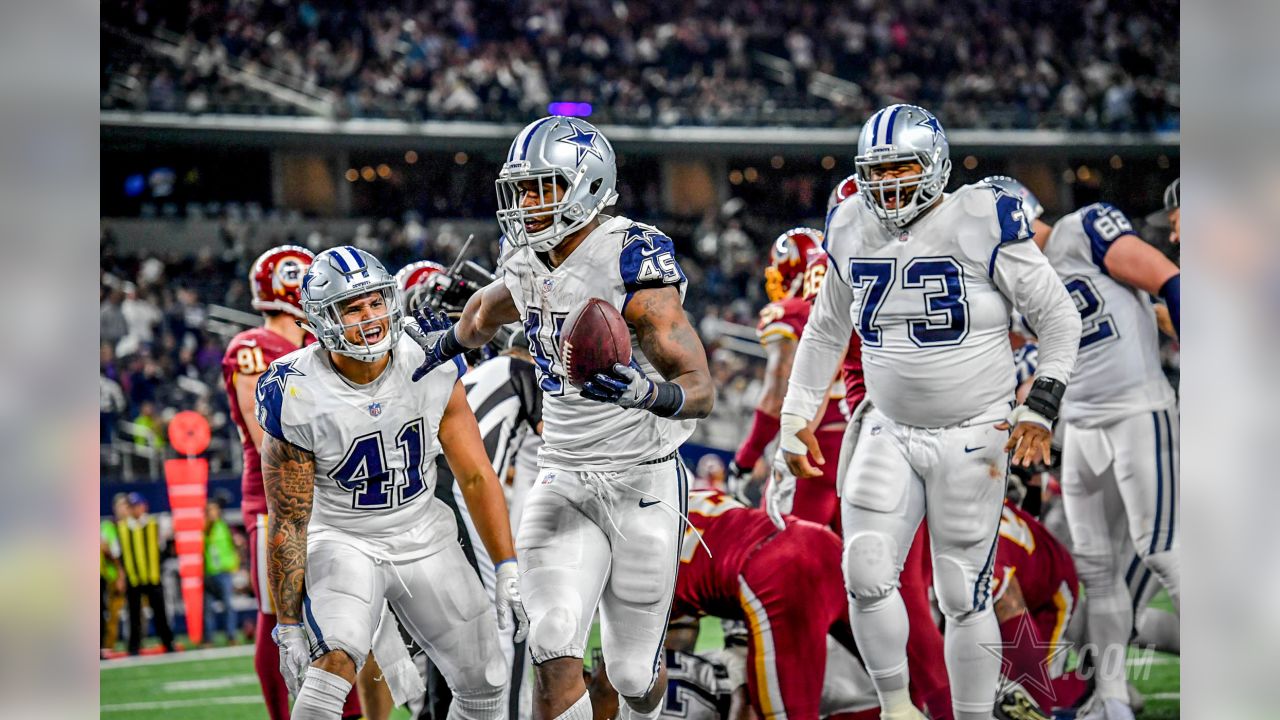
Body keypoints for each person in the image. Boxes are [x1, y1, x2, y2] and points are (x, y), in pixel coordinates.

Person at [775, 104, 1082, 720]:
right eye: (876, 173)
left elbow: (1058, 317)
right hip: (886, 426)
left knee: (961, 593)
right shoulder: (850, 222)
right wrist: (795, 415)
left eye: (902, 168)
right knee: (863, 569)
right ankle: (898, 707)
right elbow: (827, 329)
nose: (887, 186)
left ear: (936, 165)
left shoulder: (980, 216)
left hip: (973, 431)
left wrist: (1040, 405)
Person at [405, 116, 714, 720]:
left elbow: (699, 388)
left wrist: (649, 395)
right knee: (550, 642)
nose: (525, 203)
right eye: (520, 188)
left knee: (630, 674)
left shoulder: (629, 257)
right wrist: (439, 347)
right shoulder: (524, 258)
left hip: (642, 479)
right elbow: (485, 310)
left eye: (541, 187)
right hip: (564, 473)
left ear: (588, 185)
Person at [256, 246, 526, 720]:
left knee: (486, 679)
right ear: (320, 319)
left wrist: (506, 564)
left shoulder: (427, 357)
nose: (370, 316)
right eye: (352, 307)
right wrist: (289, 622)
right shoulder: (295, 388)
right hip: (342, 537)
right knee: (334, 659)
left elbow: (476, 475)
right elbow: (290, 519)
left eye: (376, 301)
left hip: (424, 532)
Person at [1020, 177, 1180, 720]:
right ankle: (1111, 700)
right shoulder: (1015, 283)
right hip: (1082, 427)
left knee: (1162, 550)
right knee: (1096, 572)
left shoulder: (1080, 229)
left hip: (1137, 409)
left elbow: (1167, 280)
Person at [673, 487, 856, 720]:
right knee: (897, 682)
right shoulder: (691, 494)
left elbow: (672, 637)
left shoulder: (638, 562)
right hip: (819, 542)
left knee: (782, 713)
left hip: (772, 575)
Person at [730, 228, 847, 532]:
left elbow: (776, 391)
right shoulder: (852, 299)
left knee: (784, 555)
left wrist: (746, 458)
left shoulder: (790, 311)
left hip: (813, 446)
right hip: (865, 444)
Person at [989, 499, 1086, 716]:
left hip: (1049, 587)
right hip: (1016, 563)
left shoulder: (978, 552)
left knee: (1027, 699)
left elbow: (1011, 606)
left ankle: (1094, 688)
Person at [118, 493, 176, 655]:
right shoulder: (122, 528)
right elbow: (119, 555)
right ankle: (134, 647)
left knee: (160, 613)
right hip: (133, 577)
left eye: (137, 505)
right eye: (132, 506)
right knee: (134, 615)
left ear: (144, 506)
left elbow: (165, 547)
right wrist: (121, 576)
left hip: (153, 576)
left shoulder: (154, 525)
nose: (135, 510)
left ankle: (168, 643)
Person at [204, 497, 242, 645]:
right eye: (209, 510)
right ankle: (208, 639)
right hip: (208, 572)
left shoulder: (224, 526)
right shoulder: (203, 528)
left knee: (228, 606)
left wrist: (235, 562)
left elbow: (235, 544)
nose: (212, 513)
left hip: (224, 572)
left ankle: (231, 636)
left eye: (214, 509)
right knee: (207, 609)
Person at [100, 493, 128, 654]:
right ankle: (108, 646)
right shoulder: (108, 526)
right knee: (112, 614)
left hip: (133, 575)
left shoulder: (131, 526)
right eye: (120, 506)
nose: (123, 510)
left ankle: (135, 644)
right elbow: (105, 547)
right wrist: (119, 574)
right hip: (111, 576)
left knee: (138, 613)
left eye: (125, 506)